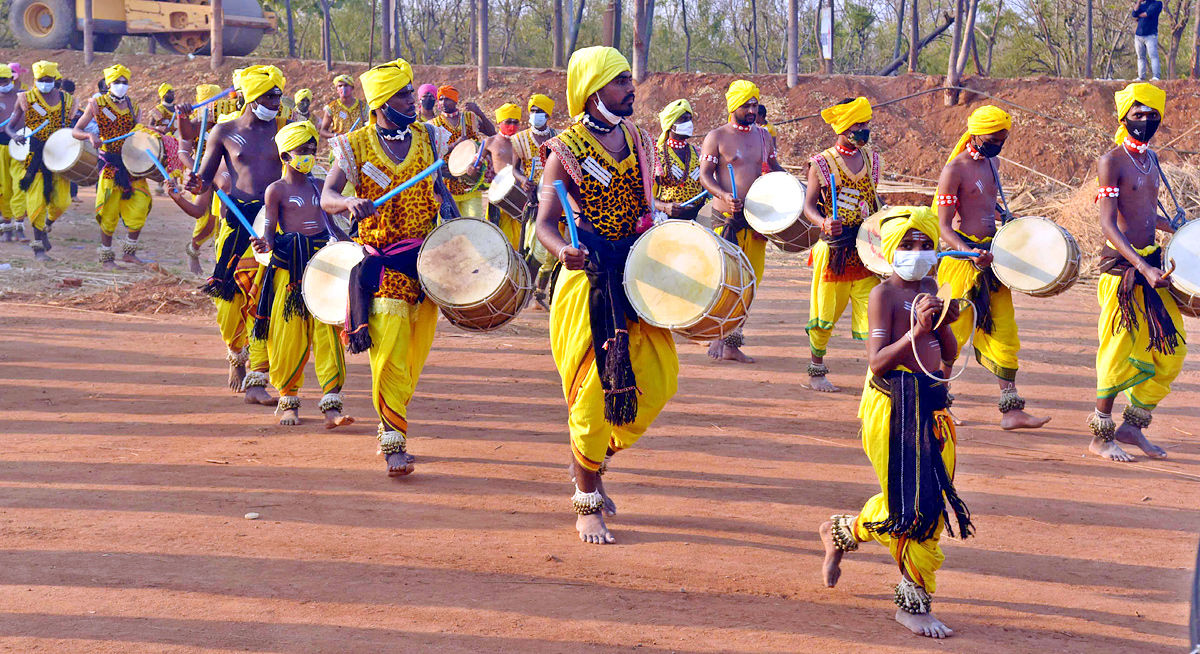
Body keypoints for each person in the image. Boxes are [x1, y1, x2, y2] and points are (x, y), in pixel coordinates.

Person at [536, 46, 679, 545]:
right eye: (620, 83)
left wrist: (663, 213)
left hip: (637, 271)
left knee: (660, 380)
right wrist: (563, 253)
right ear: (595, 92)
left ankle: (591, 458)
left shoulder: (638, 137)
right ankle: (587, 499)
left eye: (628, 81)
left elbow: (641, 198)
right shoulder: (564, 150)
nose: (630, 90)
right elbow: (544, 225)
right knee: (594, 394)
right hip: (589, 282)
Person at [820, 205, 972, 640]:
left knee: (921, 501)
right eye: (907, 244)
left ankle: (843, 531)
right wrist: (917, 329)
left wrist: (945, 322)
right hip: (892, 407)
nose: (918, 251)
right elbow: (879, 363)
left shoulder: (931, 285)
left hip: (933, 405)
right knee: (915, 505)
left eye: (925, 244)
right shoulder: (883, 295)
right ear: (889, 250)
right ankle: (913, 605)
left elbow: (948, 355)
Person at [321, 58, 444, 477]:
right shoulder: (353, 145)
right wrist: (348, 203)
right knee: (389, 356)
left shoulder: (429, 138)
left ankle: (394, 417)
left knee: (411, 359)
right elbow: (326, 197)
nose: (413, 100)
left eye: (411, 93)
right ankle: (393, 440)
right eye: (403, 95)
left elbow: (443, 187)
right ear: (380, 104)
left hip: (425, 263)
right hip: (382, 263)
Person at [934, 106, 1051, 430]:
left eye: (1003, 138)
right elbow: (944, 226)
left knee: (1004, 331)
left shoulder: (992, 162)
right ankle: (937, 405)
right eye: (993, 138)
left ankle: (1011, 410)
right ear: (975, 134)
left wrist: (1005, 218)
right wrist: (967, 252)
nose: (999, 143)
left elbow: (984, 203)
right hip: (962, 262)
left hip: (992, 259)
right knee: (951, 333)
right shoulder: (953, 169)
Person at [1089, 83, 1186, 462]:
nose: (1144, 121)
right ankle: (1100, 434)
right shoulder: (1110, 161)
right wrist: (1141, 266)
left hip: (1153, 267)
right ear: (1123, 117)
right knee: (1116, 353)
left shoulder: (1152, 159)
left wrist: (1175, 230)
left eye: (1151, 115)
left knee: (1173, 349)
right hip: (1124, 271)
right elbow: (1109, 224)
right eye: (1137, 115)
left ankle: (1133, 425)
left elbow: (1145, 212)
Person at [182, 65, 286, 407]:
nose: (276, 102)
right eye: (269, 96)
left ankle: (258, 377)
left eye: (278, 96)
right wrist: (194, 183)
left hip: (271, 223)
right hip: (235, 224)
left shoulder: (286, 129)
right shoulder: (223, 131)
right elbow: (205, 178)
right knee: (229, 304)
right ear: (250, 98)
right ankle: (235, 356)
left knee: (265, 300)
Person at [249, 121, 354, 428]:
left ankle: (332, 406)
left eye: (312, 150)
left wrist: (354, 247)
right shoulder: (276, 190)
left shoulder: (320, 186)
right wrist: (264, 242)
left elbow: (333, 227)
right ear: (285, 157)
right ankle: (289, 402)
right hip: (289, 270)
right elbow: (268, 229)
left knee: (327, 335)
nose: (308, 155)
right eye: (302, 151)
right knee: (288, 335)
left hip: (323, 265)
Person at [698, 80, 785, 363]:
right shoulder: (717, 137)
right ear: (733, 106)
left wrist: (793, 186)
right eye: (746, 105)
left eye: (754, 105)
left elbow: (773, 168)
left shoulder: (763, 136)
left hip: (756, 220)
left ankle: (733, 342)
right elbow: (705, 176)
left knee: (750, 282)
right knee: (724, 280)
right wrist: (724, 194)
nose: (751, 109)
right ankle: (717, 335)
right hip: (726, 219)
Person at [802, 97, 882, 392]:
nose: (864, 130)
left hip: (864, 250)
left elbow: (874, 201)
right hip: (833, 249)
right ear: (844, 126)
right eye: (859, 124)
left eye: (866, 124)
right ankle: (816, 371)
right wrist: (823, 222)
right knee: (824, 314)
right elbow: (808, 206)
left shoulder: (872, 160)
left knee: (873, 313)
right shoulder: (822, 163)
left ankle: (877, 373)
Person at [71, 64, 150, 268]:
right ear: (108, 84)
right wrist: (90, 135)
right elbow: (76, 130)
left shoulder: (133, 105)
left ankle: (129, 253)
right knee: (108, 209)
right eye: (117, 82)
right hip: (109, 163)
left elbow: (138, 131)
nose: (121, 86)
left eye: (125, 82)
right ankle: (107, 257)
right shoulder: (97, 104)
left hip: (131, 163)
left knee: (142, 203)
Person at [6, 60, 74, 259]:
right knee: (36, 202)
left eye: (48, 80)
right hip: (35, 155)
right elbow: (11, 126)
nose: (44, 83)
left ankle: (45, 227)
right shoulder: (26, 98)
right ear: (35, 80)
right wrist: (14, 135)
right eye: (40, 80)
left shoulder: (67, 100)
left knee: (62, 202)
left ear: (55, 79)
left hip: (59, 155)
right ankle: (38, 248)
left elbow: (73, 127)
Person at [512, 93, 560, 309]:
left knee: (552, 253)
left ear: (548, 114)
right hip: (535, 202)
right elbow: (515, 169)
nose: (535, 115)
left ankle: (540, 292)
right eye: (532, 111)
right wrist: (523, 181)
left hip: (557, 199)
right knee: (535, 249)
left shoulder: (559, 137)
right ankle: (527, 290)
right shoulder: (520, 140)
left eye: (539, 111)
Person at [431, 85, 496, 217]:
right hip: (446, 185)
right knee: (449, 228)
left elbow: (491, 133)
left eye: (447, 99)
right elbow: (433, 152)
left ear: (455, 101)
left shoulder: (470, 118)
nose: (443, 102)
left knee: (474, 224)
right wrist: (456, 144)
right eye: (441, 99)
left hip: (470, 184)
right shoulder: (433, 124)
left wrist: (479, 112)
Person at [653, 99, 703, 222]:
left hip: (698, 217)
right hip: (668, 219)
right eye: (684, 120)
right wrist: (665, 207)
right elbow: (645, 196)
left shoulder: (698, 152)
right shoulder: (655, 154)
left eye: (690, 119)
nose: (689, 123)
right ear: (671, 124)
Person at [485, 102, 524, 248]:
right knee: (499, 237)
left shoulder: (523, 141)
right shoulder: (490, 142)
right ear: (499, 122)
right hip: (498, 198)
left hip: (520, 195)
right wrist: (472, 168)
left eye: (516, 122)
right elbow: (475, 163)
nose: (512, 126)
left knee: (521, 239)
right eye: (508, 122)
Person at [0, 65, 22, 242]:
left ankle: (19, 226)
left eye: (5, 81)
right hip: (0, 147)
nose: (2, 84)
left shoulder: (22, 97)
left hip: (19, 146)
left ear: (11, 80)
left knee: (19, 186)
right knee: (4, 188)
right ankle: (6, 226)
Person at [317, 74, 365, 139]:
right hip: (340, 146)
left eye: (346, 85)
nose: (343, 88)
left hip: (359, 145)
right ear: (337, 90)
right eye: (340, 86)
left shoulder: (362, 106)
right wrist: (335, 136)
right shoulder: (332, 107)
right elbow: (323, 131)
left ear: (352, 88)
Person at [1132, 0, 1162, 81]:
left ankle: (1156, 76)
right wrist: (1138, 2)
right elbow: (1134, 14)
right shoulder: (1142, 5)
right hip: (1139, 35)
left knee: (1153, 56)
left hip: (1151, 35)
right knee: (1140, 57)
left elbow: (1147, 14)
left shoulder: (1157, 3)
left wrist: (1140, 15)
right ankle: (1141, 76)